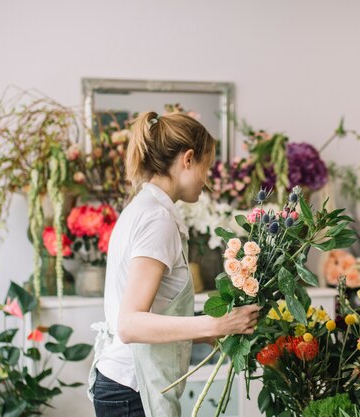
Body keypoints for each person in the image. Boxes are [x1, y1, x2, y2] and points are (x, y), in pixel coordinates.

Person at [88, 111, 260, 417]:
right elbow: (130, 324)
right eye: (206, 167)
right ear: (188, 159)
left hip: (125, 386)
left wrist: (205, 334)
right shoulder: (157, 219)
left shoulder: (145, 208)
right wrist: (217, 323)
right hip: (131, 390)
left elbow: (152, 312)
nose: (206, 181)